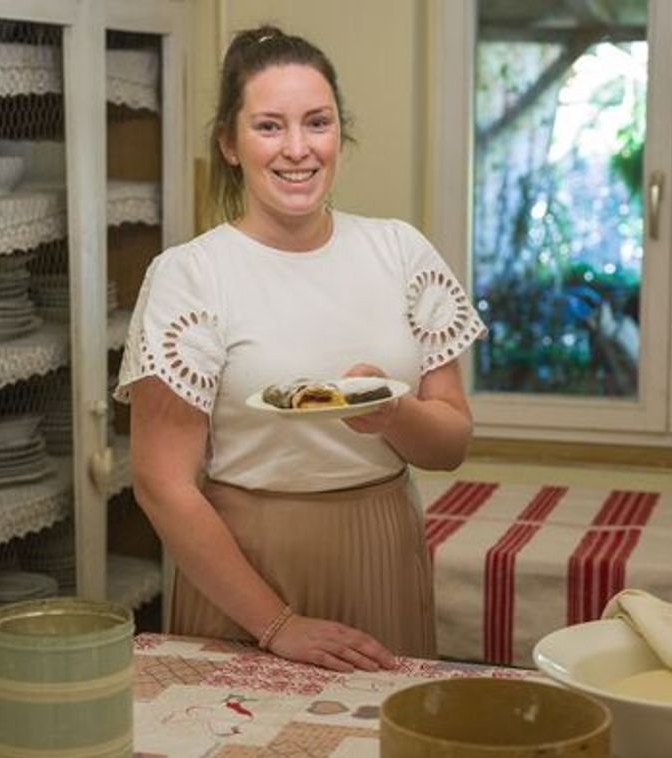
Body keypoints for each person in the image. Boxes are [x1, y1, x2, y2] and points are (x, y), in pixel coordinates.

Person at [114, 25, 485, 672]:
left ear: (340, 132)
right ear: (229, 144)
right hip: (244, 564)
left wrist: (393, 413)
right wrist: (278, 624)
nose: (297, 148)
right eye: (268, 126)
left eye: (317, 123)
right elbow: (161, 484)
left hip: (382, 550)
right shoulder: (189, 275)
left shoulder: (401, 252)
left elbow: (450, 446)